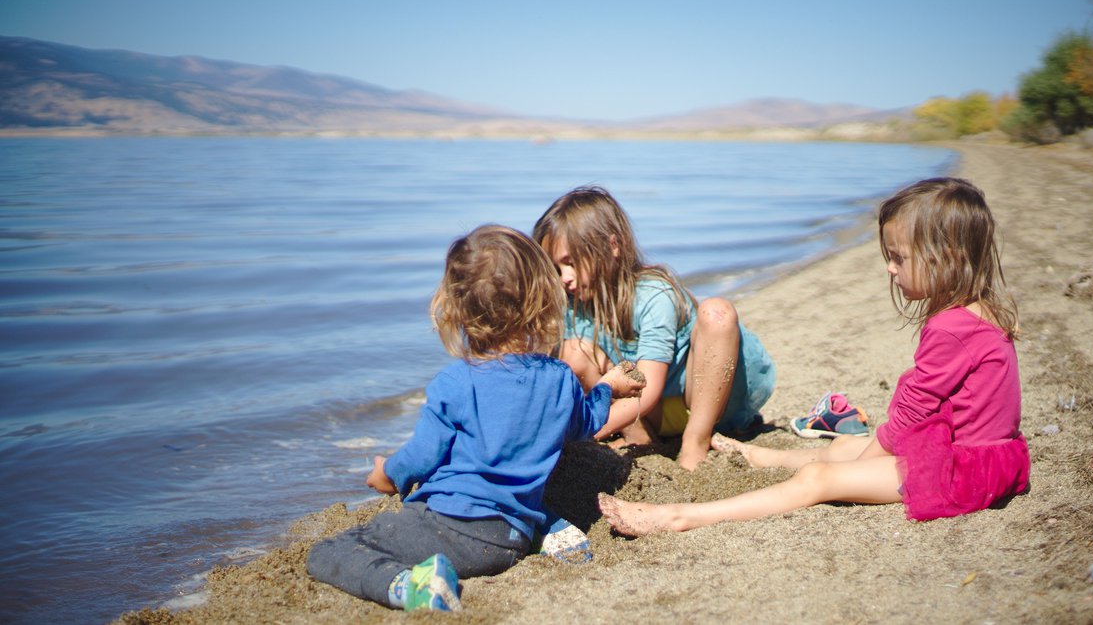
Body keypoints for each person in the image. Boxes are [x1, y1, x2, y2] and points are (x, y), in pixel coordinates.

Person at [598, 177, 1030, 535]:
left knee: (819, 478)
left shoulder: (950, 329)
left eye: (899, 258)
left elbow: (913, 414)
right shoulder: (978, 312)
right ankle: (766, 456)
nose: (890, 268)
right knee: (846, 445)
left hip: (964, 471)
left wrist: (863, 466)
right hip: (985, 455)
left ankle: (678, 517)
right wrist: (862, 455)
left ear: (948, 258)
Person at [307, 225, 643, 610]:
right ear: (539, 300)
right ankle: (552, 533)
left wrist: (388, 474)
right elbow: (588, 422)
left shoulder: (455, 382)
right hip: (514, 534)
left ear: (455, 309)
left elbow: (421, 457)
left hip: (454, 530)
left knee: (331, 551)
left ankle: (412, 589)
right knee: (514, 483)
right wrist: (606, 387)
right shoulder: (558, 379)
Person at [533, 186, 776, 471]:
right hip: (654, 415)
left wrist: (582, 432)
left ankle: (695, 441)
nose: (565, 278)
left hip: (708, 402)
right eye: (557, 269)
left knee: (717, 312)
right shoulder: (574, 305)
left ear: (613, 246)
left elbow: (647, 387)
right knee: (572, 353)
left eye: (571, 263)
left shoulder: (653, 294)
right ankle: (641, 440)